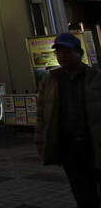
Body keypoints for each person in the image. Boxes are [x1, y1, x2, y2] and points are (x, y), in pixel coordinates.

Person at [35, 32, 101, 207]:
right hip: (69, 148)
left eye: (67, 51)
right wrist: (40, 141)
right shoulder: (50, 80)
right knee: (82, 193)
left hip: (94, 144)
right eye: (58, 52)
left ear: (79, 53)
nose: (62, 55)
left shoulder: (95, 76)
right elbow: (41, 114)